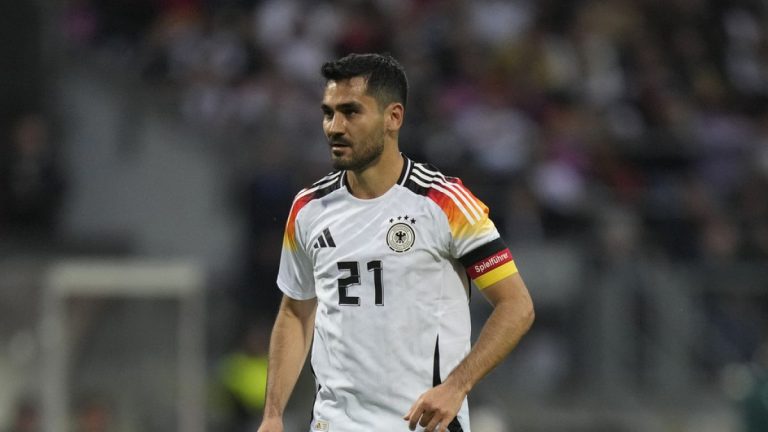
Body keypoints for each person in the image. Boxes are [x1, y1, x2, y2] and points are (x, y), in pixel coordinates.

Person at [257, 53, 535, 432]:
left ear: (393, 117)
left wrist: (457, 386)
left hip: (422, 425)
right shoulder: (308, 208)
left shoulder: (444, 202)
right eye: (328, 113)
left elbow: (517, 306)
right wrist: (273, 415)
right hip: (334, 424)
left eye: (351, 112)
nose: (335, 127)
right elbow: (295, 312)